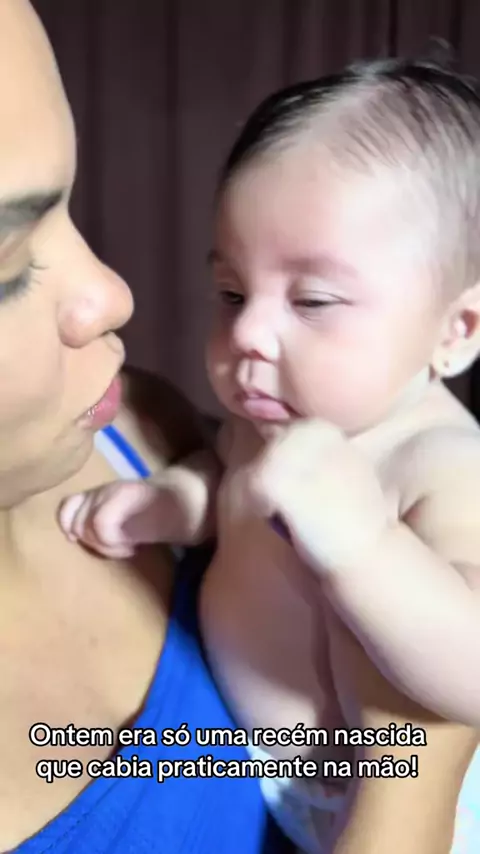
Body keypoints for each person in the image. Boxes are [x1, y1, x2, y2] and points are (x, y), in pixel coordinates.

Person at [61, 59, 480, 852]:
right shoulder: (270, 421)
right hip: (275, 787)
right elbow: (232, 483)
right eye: (232, 293)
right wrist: (176, 501)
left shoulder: (444, 467)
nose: (249, 333)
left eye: (312, 301)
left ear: (455, 332)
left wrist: (367, 547)